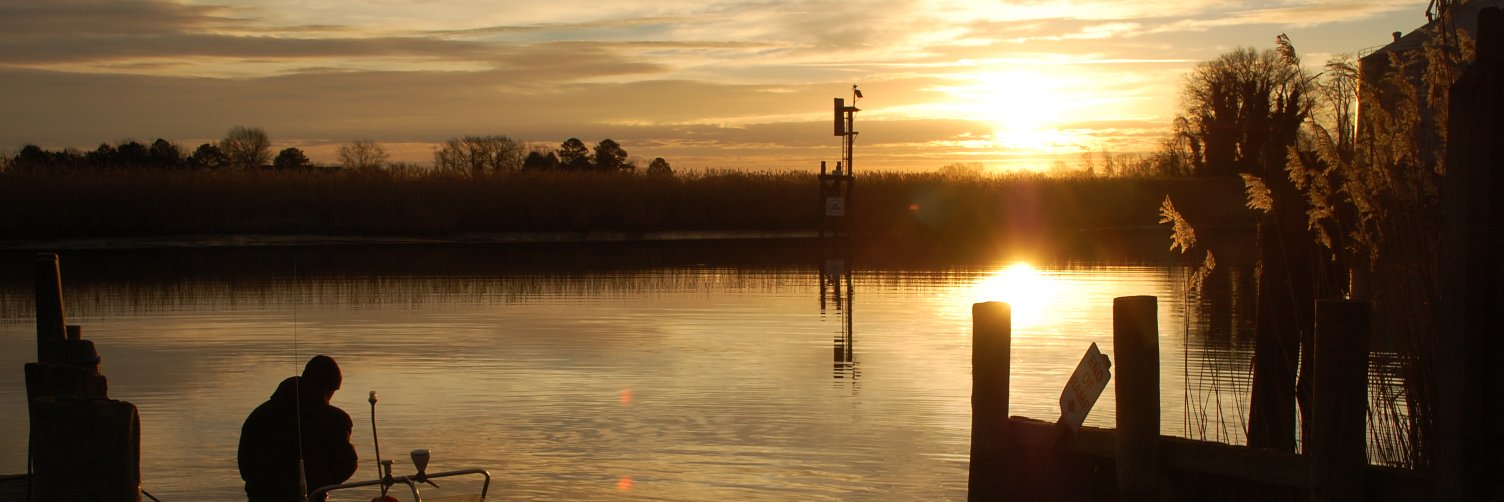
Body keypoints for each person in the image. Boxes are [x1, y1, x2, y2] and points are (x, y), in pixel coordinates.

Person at [238, 355, 359, 502]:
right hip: (309, 497)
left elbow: (245, 466)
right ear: (329, 389)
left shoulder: (258, 415)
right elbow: (345, 464)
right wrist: (320, 484)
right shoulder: (335, 419)